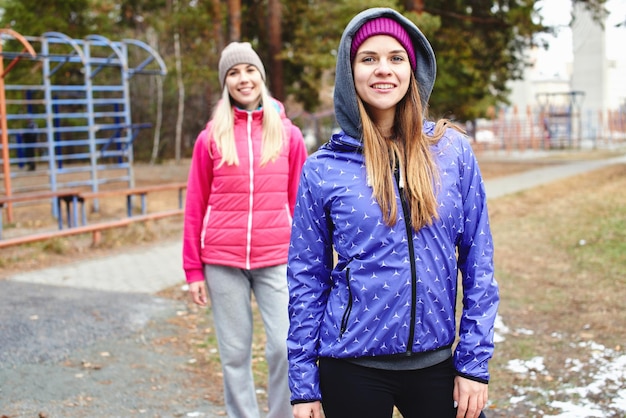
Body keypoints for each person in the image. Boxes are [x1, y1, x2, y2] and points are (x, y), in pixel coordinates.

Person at [286, 8, 499, 418]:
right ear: (350, 72)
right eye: (369, 58)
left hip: (438, 363)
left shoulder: (451, 152)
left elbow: (479, 261)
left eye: (395, 58)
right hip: (351, 367)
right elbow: (305, 279)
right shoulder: (323, 169)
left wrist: (473, 363)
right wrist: (303, 387)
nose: (383, 69)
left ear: (412, 69)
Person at [183, 41, 308, 418]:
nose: (243, 78)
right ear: (226, 82)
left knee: (285, 346)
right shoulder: (211, 138)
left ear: (261, 77)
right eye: (234, 73)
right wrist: (192, 271)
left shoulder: (289, 135)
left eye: (249, 70)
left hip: (276, 258)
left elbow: (301, 208)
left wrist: (308, 263)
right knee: (234, 353)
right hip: (222, 261)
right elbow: (194, 206)